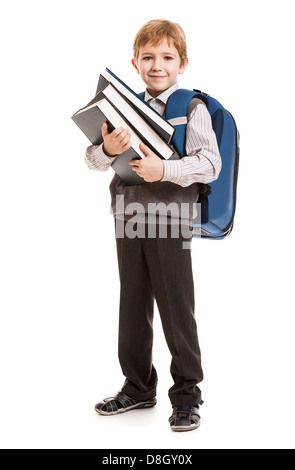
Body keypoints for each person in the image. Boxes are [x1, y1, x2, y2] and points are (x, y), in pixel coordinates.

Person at [85, 19, 221, 432]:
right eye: (148, 57)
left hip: (170, 219)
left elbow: (210, 165)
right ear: (135, 62)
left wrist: (164, 168)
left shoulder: (190, 108)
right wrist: (107, 149)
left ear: (182, 63)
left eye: (166, 57)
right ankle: (138, 387)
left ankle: (186, 396)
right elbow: (91, 160)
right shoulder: (122, 106)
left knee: (176, 308)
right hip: (127, 216)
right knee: (133, 304)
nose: (156, 65)